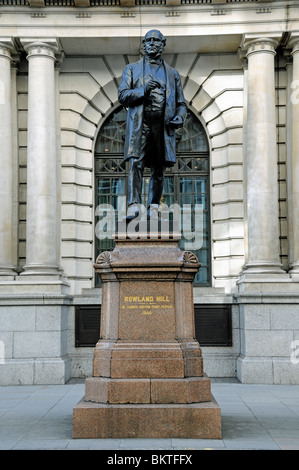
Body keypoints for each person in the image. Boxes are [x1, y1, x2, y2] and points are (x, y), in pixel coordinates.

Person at [118, 29, 187, 221]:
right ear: (143, 44)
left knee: (158, 168)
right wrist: (143, 90)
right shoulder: (132, 69)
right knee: (135, 163)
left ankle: (154, 205)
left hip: (162, 126)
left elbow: (182, 104)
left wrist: (180, 118)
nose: (151, 43)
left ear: (163, 44)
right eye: (148, 40)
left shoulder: (173, 74)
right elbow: (122, 95)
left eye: (156, 40)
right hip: (140, 124)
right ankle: (134, 205)